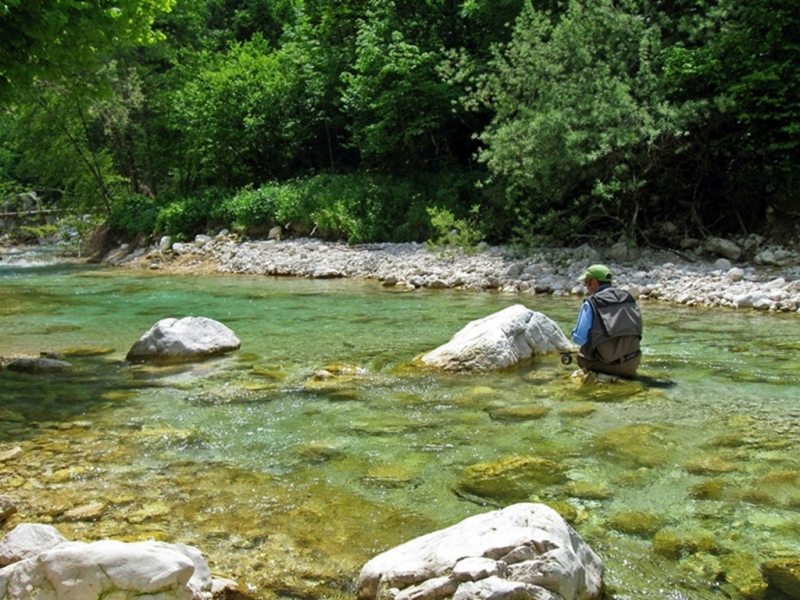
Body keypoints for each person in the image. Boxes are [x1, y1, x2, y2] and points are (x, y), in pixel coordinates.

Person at [571, 264, 642, 378]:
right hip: (633, 363)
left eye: (586, 283)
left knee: (580, 355)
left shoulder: (591, 303)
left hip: (608, 366)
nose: (585, 286)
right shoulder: (628, 298)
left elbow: (579, 339)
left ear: (593, 282)